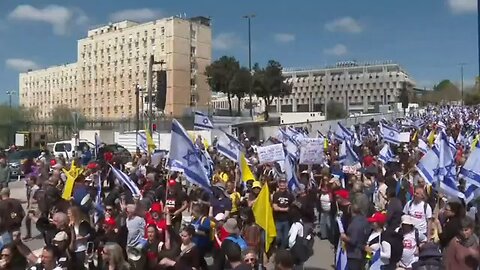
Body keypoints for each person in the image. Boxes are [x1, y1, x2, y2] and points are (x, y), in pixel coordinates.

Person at [340, 204, 369, 270]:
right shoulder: (364, 220)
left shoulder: (355, 224)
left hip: (353, 254)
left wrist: (344, 237)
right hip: (362, 252)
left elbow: (353, 241)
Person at [273, 179, 295, 249]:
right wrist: (284, 209)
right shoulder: (276, 195)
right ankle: (279, 249)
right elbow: (275, 207)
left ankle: (283, 251)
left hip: (287, 220)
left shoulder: (290, 195)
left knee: (285, 238)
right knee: (278, 238)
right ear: (278, 185)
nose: (282, 187)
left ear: (286, 185)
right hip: (278, 220)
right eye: (281, 186)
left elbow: (292, 206)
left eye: (284, 185)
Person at [125, 204, 146, 269]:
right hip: (128, 247)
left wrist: (139, 247)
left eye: (127, 211)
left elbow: (144, 235)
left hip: (137, 248)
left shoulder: (140, 220)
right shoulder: (126, 220)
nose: (126, 213)